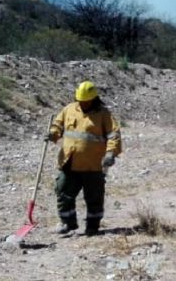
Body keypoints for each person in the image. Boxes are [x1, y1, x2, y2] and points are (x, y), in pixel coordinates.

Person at [47, 81, 122, 236]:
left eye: (86, 101)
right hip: (70, 161)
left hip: (93, 165)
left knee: (94, 197)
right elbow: (58, 125)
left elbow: (113, 135)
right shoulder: (69, 109)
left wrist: (110, 153)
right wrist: (53, 133)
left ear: (94, 99)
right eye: (80, 100)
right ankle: (67, 223)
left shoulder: (103, 114)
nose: (83, 103)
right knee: (62, 191)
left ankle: (92, 227)